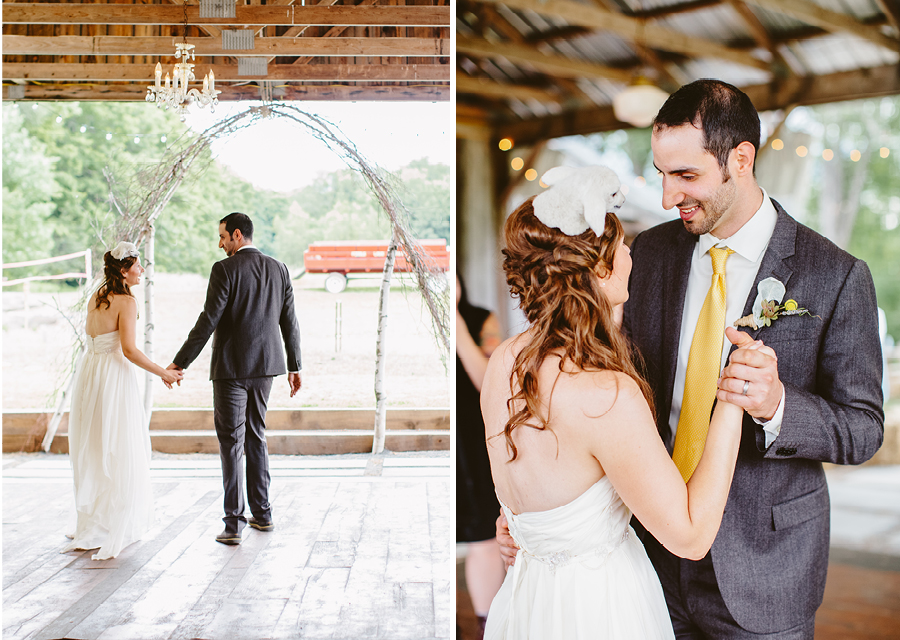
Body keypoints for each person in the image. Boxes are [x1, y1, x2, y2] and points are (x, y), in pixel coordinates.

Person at [498, 80, 885, 638]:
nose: (665, 196)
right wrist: (532, 511)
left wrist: (778, 405)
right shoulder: (647, 254)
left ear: (741, 160)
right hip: (641, 557)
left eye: (685, 176)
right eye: (660, 173)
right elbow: (584, 387)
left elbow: (864, 428)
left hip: (766, 569)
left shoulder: (836, 275)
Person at [481, 183, 767, 639]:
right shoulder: (604, 393)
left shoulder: (504, 362)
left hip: (528, 599)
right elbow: (690, 536)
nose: (631, 254)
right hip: (599, 608)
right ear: (600, 267)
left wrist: (516, 529)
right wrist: (733, 399)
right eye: (621, 244)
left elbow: (530, 492)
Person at [169, 212, 302, 545]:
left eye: (223, 237)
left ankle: (232, 524)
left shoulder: (224, 269)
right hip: (267, 367)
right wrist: (295, 366)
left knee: (231, 443)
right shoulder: (280, 268)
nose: (220, 243)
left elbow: (207, 321)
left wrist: (179, 362)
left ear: (238, 235)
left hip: (231, 369)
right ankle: (264, 514)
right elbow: (290, 321)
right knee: (256, 436)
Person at [64, 241, 183, 560]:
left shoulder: (97, 295)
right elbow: (129, 350)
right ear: (123, 270)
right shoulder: (126, 302)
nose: (142, 269)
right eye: (137, 265)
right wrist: (163, 372)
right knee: (119, 445)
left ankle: (96, 520)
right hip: (113, 377)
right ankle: (115, 521)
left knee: (95, 444)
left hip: (90, 372)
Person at [456, 272, 506, 635]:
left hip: (474, 440)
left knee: (484, 540)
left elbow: (489, 381)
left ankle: (487, 626)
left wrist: (455, 320)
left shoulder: (480, 318)